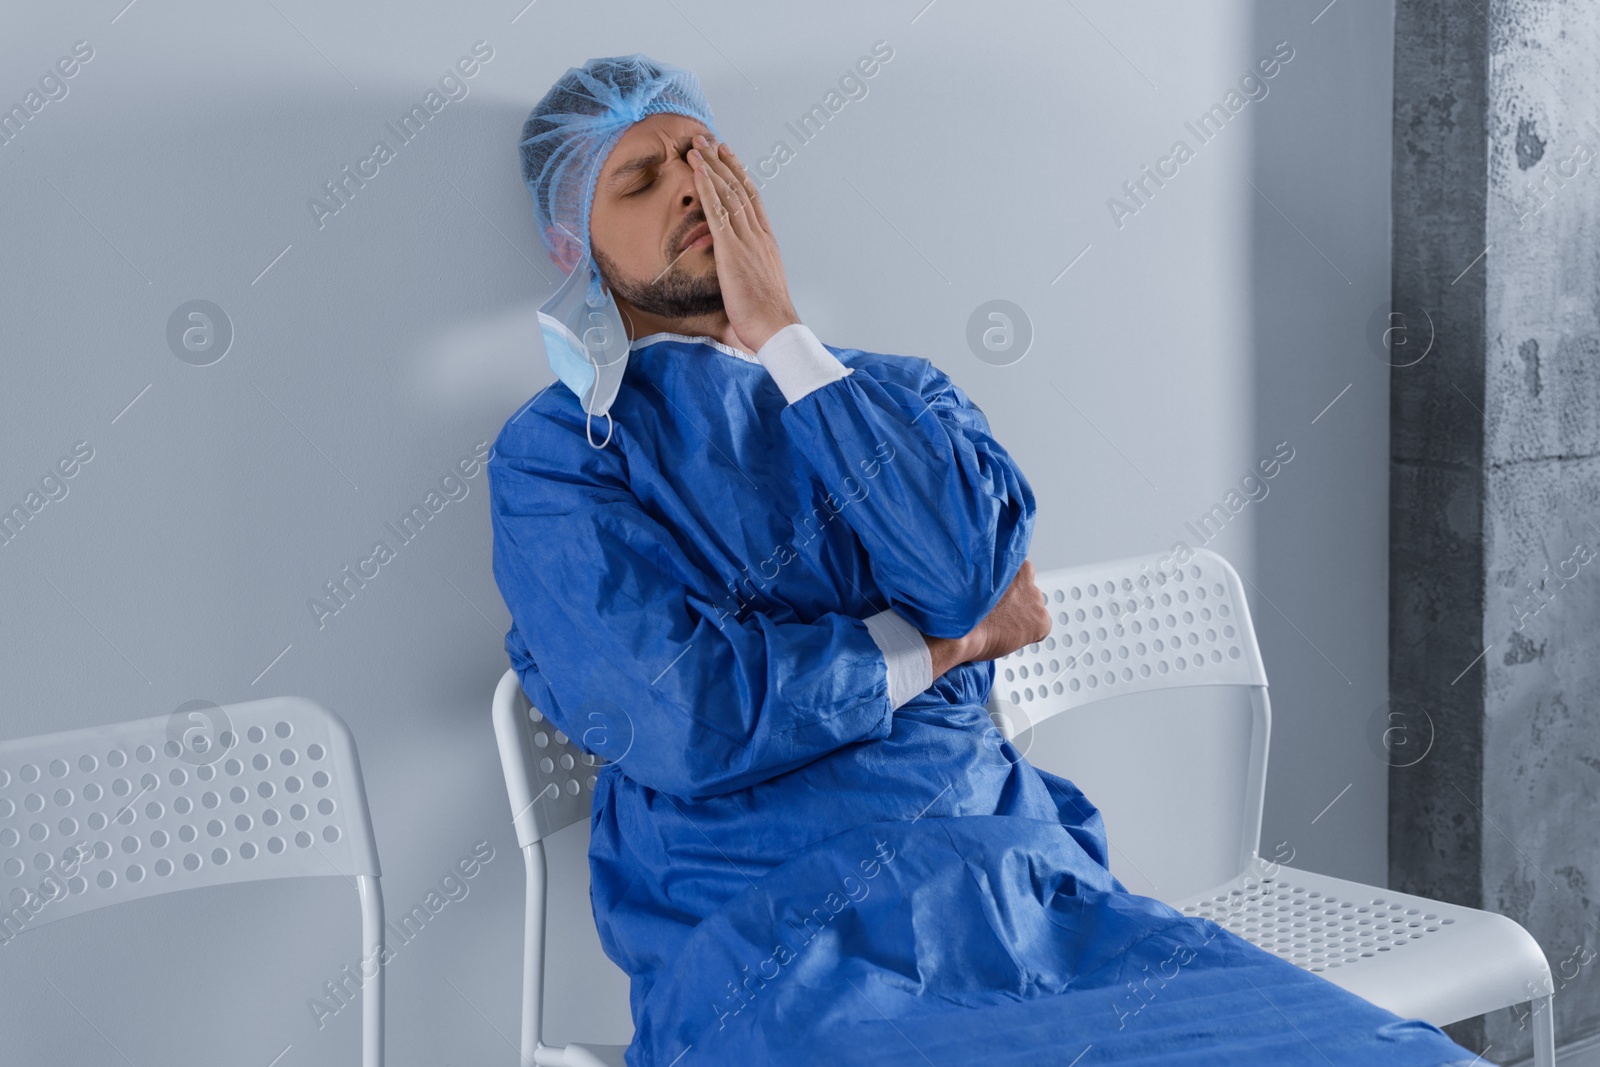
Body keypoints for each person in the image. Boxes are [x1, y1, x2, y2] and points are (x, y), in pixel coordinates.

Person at [489, 54, 1494, 1067]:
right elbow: (687, 718)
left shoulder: (889, 394)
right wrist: (938, 650)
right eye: (640, 177)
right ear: (570, 242)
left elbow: (964, 575)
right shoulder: (559, 460)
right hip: (769, 937)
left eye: (705, 157)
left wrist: (781, 335)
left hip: (1017, 890)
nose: (691, 185)